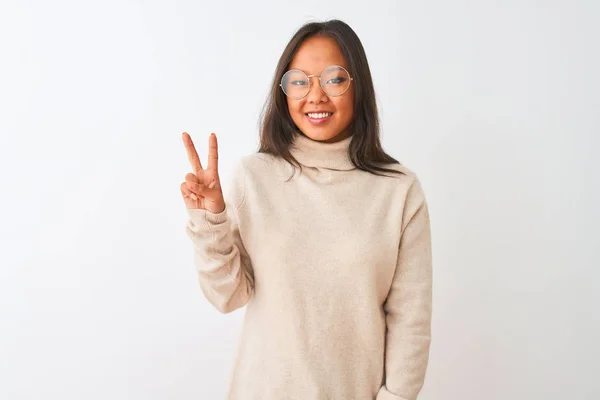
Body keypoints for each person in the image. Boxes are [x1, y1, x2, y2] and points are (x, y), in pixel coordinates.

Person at [180, 19, 432, 400]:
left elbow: (410, 320)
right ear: (283, 92)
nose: (315, 96)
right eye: (299, 80)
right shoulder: (254, 176)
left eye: (333, 79)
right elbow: (227, 296)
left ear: (357, 86)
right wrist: (211, 218)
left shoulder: (398, 190)